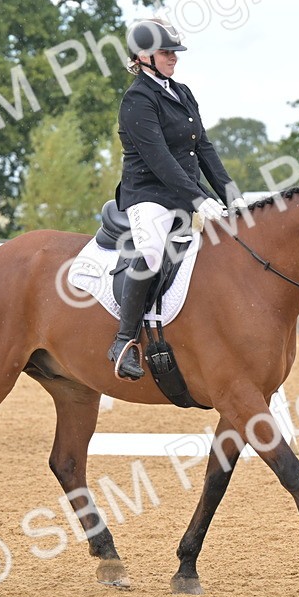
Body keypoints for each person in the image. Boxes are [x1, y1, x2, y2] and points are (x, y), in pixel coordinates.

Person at [107, 19, 245, 380]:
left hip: (185, 197)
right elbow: (160, 159)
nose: (173, 58)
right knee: (152, 253)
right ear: (143, 56)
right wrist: (200, 199)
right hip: (148, 196)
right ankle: (123, 342)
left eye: (174, 52)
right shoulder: (136, 100)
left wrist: (232, 197)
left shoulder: (181, 92)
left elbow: (205, 149)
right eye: (167, 52)